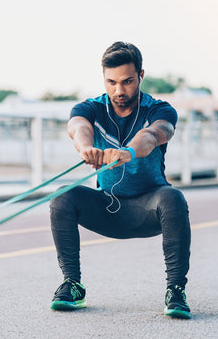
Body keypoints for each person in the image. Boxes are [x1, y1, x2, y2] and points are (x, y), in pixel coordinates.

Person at [49, 42, 191, 319]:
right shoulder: (91, 107)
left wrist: (128, 152)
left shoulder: (159, 109)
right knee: (61, 196)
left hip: (149, 209)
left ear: (141, 75)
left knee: (173, 197)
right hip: (108, 208)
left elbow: (154, 135)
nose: (119, 90)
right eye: (111, 82)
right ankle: (72, 284)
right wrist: (85, 148)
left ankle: (176, 290)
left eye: (127, 81)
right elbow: (77, 127)